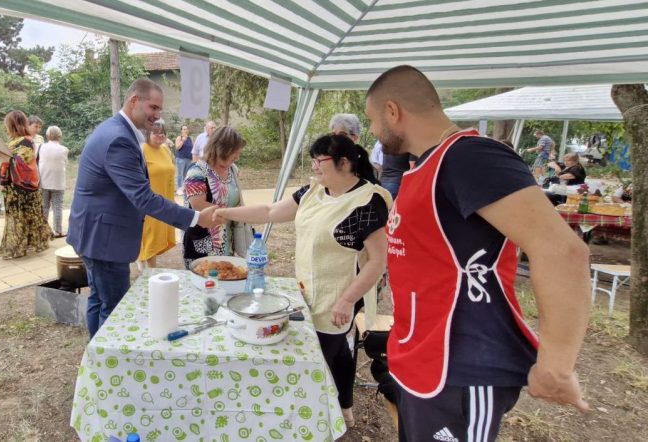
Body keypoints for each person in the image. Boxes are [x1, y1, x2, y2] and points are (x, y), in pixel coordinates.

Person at [364, 65, 591, 441]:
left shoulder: (469, 157)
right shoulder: (426, 164)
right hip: (423, 359)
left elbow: (563, 251)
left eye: (372, 120)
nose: (373, 131)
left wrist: (557, 364)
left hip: (461, 368)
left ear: (393, 111)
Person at [215, 134, 392, 428]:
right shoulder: (313, 191)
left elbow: (377, 261)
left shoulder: (367, 203)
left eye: (318, 160)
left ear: (344, 163)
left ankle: (316, 420)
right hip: (305, 290)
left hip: (338, 295)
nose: (314, 167)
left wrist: (347, 300)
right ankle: (344, 408)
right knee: (337, 353)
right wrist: (224, 212)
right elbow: (270, 211)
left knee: (322, 355)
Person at [67, 78, 219, 338]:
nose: (156, 115)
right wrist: (195, 218)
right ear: (134, 100)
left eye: (159, 110)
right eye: (153, 107)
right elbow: (143, 197)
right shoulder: (119, 139)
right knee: (112, 307)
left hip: (93, 233)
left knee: (98, 299)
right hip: (104, 239)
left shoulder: (116, 130)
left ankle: (95, 353)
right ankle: (106, 362)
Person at [182, 126, 247, 268]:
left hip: (227, 240)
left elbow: (235, 200)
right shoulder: (196, 171)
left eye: (238, 152)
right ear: (221, 149)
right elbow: (199, 206)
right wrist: (238, 214)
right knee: (204, 284)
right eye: (234, 152)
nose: (237, 157)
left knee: (225, 280)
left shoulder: (232, 169)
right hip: (203, 244)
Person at [0, 110, 52, 259]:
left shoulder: (26, 140)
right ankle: (23, 244)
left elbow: (21, 162)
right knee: (18, 216)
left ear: (12, 125)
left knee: (22, 216)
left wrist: (3, 156)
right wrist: (2, 179)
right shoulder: (14, 141)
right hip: (13, 185)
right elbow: (7, 161)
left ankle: (19, 246)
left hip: (24, 185)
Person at [138, 120, 177, 268]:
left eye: (163, 133)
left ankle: (143, 259)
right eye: (156, 133)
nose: (160, 135)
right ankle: (150, 270)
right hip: (149, 200)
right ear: (147, 133)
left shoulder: (166, 149)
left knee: (158, 232)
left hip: (166, 198)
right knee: (151, 234)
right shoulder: (142, 150)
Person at [38, 125, 69, 238]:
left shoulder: (41, 147)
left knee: (44, 207)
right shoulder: (64, 149)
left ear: (47, 135)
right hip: (58, 182)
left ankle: (43, 231)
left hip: (44, 181)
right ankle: (58, 231)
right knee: (57, 207)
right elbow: (65, 163)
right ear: (60, 136)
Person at [174, 124, 193, 195]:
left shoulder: (190, 139)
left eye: (186, 129)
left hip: (188, 159)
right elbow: (177, 147)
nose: (185, 130)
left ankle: (184, 188)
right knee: (180, 174)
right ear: (181, 130)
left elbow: (192, 148)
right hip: (181, 158)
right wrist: (182, 140)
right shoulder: (179, 137)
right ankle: (179, 189)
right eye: (183, 129)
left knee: (186, 175)